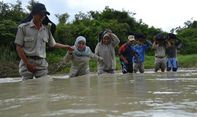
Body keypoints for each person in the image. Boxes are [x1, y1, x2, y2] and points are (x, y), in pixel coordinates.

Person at [14, 3, 73, 80]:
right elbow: (19, 47)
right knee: (27, 87)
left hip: (41, 63)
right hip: (27, 62)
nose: (43, 16)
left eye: (44, 14)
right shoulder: (23, 28)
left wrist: (67, 47)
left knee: (44, 85)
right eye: (40, 14)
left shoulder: (46, 29)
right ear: (33, 14)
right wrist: (27, 64)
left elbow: (53, 44)